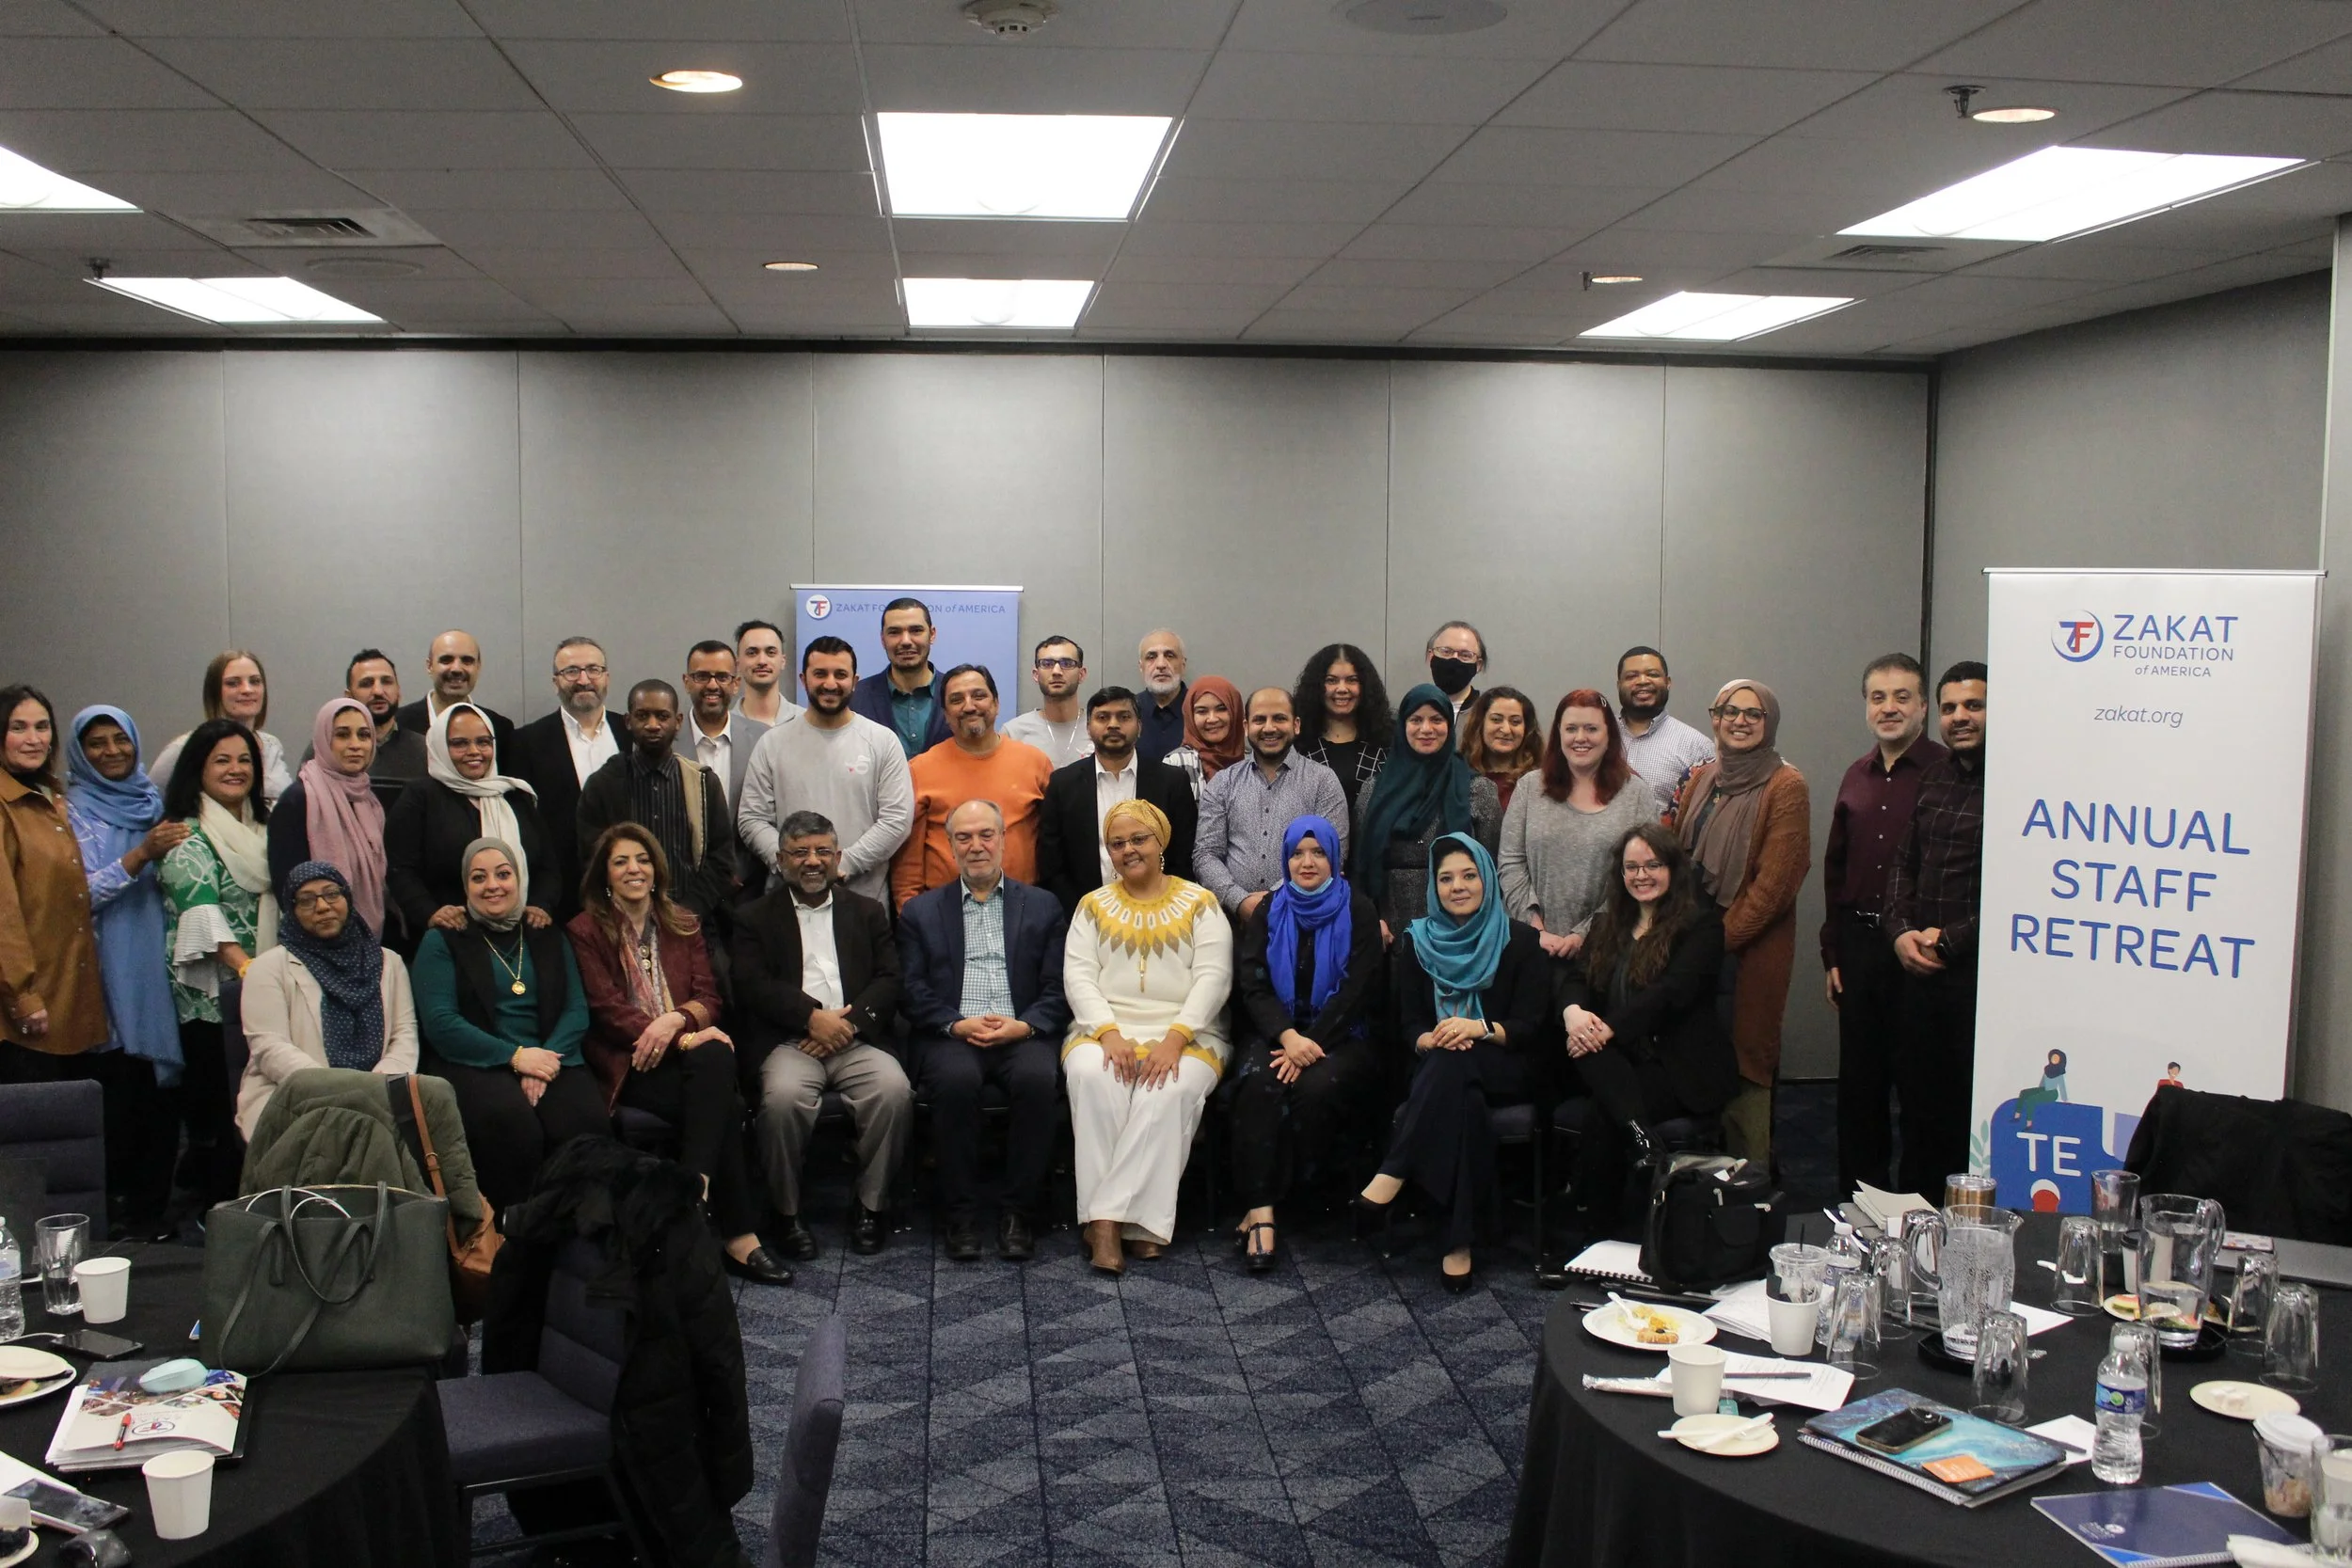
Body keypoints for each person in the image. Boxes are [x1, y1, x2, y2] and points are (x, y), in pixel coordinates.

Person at [567, 823, 788, 1284]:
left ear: (657, 870)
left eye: (643, 859)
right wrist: (681, 1035)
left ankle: (693, 1195)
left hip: (689, 1059)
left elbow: (709, 999)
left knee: (715, 1062)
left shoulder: (682, 921)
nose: (634, 869)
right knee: (725, 1102)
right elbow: (604, 1008)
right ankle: (739, 1236)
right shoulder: (586, 929)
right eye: (621, 861)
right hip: (633, 1062)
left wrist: (675, 1023)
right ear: (604, 875)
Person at [1358, 834, 1549, 1291]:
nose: (1457, 886)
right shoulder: (1417, 942)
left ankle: (1396, 1167)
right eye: (1445, 878)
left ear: (1486, 878)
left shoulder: (1520, 942)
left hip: (1505, 1063)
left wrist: (1476, 1028)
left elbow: (1529, 1025)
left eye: (1469, 875)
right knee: (1459, 1092)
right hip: (1438, 1067)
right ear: (1434, 887)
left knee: (1454, 1067)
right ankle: (1457, 1242)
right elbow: (1408, 1025)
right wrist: (1433, 1037)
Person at [1062, 800, 1232, 1276]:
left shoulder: (1200, 902)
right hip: (1104, 1028)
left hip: (1189, 1030)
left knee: (1167, 1089)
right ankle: (1135, 1227)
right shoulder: (1091, 906)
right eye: (1117, 843)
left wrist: (1176, 1038)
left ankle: (1108, 1220)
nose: (1128, 850)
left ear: (1161, 843)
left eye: (1139, 839)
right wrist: (1108, 1033)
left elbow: (1214, 978)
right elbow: (1078, 977)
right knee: (1095, 1078)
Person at [898, 800, 1072, 1262]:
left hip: (1022, 1028)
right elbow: (912, 990)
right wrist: (955, 1023)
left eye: (986, 835)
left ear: (1004, 840)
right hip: (953, 1032)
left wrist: (1027, 1024)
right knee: (956, 1083)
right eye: (964, 837)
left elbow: (1059, 986)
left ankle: (1019, 1212)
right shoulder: (921, 912)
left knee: (1039, 1081)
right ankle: (961, 1214)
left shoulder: (1041, 906)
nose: (976, 846)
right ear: (950, 846)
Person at [732, 812, 910, 1259]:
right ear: (780, 859)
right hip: (790, 1042)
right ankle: (786, 1213)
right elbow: (751, 984)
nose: (812, 861)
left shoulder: (867, 911)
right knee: (782, 1101)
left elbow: (890, 977)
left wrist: (847, 1025)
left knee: (894, 1090)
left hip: (856, 1038)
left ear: (837, 857)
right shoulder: (754, 916)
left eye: (822, 851)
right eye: (800, 852)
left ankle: (871, 1205)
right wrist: (811, 1019)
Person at [1556, 825, 1740, 1226]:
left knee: (1604, 1113)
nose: (1641, 875)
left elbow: (1672, 993)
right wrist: (1574, 1014)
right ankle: (1644, 1144)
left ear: (1673, 869)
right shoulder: (1608, 924)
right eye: (1632, 867)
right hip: (1615, 1059)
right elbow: (1576, 980)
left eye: (1652, 865)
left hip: (1675, 1066)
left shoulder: (1702, 927)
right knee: (1588, 1053)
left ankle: (1591, 1230)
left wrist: (1607, 1029)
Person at [412, 839, 609, 1210]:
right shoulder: (442, 940)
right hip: (476, 1060)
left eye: (503, 874)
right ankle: (511, 1235)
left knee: (585, 1123)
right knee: (510, 1125)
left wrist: (542, 1061)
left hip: (552, 1056)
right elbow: (441, 1024)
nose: (493, 885)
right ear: (465, 886)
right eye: (478, 877)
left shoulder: (546, 931)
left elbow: (577, 1009)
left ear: (520, 879)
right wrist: (516, 1057)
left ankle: (581, 1236)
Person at [1667, 680, 1811, 1164]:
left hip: (1749, 949)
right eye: (1730, 711)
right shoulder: (1704, 777)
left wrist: (1714, 944)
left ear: (1769, 723)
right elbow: (1681, 858)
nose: (1740, 721)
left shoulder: (1786, 785)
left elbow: (1774, 887)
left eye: (1754, 713)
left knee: (1746, 1060)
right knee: (1700, 1055)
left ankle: (1749, 1189)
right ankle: (1701, 1184)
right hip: (1699, 942)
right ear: (1715, 718)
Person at [1228, 815, 1380, 1274]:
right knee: (1257, 1083)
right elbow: (1253, 984)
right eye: (1297, 853)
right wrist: (1289, 1036)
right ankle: (1261, 1212)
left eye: (1317, 853)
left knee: (1317, 1089)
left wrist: (1311, 1043)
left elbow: (1359, 990)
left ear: (1333, 857)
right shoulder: (1268, 909)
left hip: (1341, 1036)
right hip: (1279, 1033)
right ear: (1285, 858)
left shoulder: (1359, 909)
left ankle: (1300, 1198)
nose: (1307, 862)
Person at [1820, 654, 1944, 1194]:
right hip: (1859, 948)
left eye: (1901, 697)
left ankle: (1920, 1217)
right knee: (1860, 1090)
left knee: (1921, 1091)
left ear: (1922, 707)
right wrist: (1834, 954)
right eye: (1877, 697)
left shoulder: (1946, 773)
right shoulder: (1856, 774)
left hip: (1920, 954)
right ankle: (1860, 1207)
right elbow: (1835, 868)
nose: (1888, 708)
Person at [64, 705, 187, 1231]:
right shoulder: (70, 813)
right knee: (119, 1095)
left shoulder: (154, 804)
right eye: (97, 743)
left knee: (162, 1101)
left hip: (160, 975)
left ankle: (154, 1214)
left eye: (121, 739)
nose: (112, 751)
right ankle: (116, 1215)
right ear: (79, 753)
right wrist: (139, 857)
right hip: (105, 975)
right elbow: (76, 897)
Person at [158, 717, 278, 1199]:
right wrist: (248, 969)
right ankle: (215, 1210)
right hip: (214, 996)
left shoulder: (266, 827)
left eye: (244, 759)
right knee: (218, 1106)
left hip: (262, 988)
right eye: (221, 760)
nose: (235, 769)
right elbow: (201, 913)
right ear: (197, 769)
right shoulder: (186, 835)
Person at [1884, 660, 1986, 1195]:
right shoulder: (1935, 777)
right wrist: (1900, 931)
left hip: (1977, 983)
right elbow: (1904, 863)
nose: (1959, 717)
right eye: (1949, 708)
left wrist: (1950, 940)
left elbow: (2016, 890)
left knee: (1966, 1116)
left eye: (1973, 706)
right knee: (1919, 1112)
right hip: (1920, 973)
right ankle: (1912, 1226)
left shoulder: (2018, 784)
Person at [235, 860, 418, 1138]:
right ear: (292, 910)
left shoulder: (389, 962)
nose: (322, 907)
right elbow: (270, 1048)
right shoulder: (267, 968)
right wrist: (339, 1089)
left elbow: (404, 1035)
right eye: (307, 900)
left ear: (347, 898)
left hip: (380, 1093)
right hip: (294, 1095)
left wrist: (376, 1087)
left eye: (332, 894)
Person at [737, 637, 912, 906]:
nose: (830, 683)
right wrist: (792, 864)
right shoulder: (772, 742)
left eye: (840, 674)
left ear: (854, 681)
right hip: (787, 901)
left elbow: (897, 820)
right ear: (803, 679)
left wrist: (844, 863)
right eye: (820, 674)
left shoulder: (882, 741)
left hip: (861, 902)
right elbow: (752, 818)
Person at [1500, 690, 1657, 960]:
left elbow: (1645, 874)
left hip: (1609, 948)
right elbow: (1511, 862)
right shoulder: (1529, 788)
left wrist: (1586, 933)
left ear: (1610, 736)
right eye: (1571, 728)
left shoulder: (1636, 794)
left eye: (1592, 729)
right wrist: (1534, 928)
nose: (1580, 738)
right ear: (1558, 733)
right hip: (1531, 945)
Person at [0, 688, 107, 1072]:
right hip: (22, 1010)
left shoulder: (50, 796)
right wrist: (23, 996)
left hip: (66, 996)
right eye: (19, 727)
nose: (34, 739)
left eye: (42, 727)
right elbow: (4, 914)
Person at [386, 703, 555, 940]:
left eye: (483, 742)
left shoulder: (516, 795)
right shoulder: (420, 797)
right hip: (452, 936)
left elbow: (548, 864)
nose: (474, 751)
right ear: (439, 747)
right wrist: (430, 913)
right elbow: (400, 870)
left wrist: (541, 904)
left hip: (521, 934)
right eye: (460, 743)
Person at [892, 666, 1053, 910]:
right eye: (956, 700)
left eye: (979, 696)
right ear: (945, 714)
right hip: (944, 914)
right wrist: (913, 918)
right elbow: (908, 866)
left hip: (1022, 911)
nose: (969, 706)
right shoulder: (920, 770)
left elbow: (1052, 845)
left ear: (997, 704)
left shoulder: (1035, 763)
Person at [577, 680, 736, 919]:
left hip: (692, 923)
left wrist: (686, 912)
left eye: (662, 716)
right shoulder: (603, 785)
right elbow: (592, 859)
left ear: (678, 722)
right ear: (628, 721)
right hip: (620, 922)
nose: (653, 725)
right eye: (642, 716)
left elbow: (721, 861)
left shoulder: (703, 783)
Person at [1036, 687, 1198, 916]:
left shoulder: (1172, 782)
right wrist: (1085, 913)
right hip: (1084, 915)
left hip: (1160, 913)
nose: (1113, 724)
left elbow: (1182, 858)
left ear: (1140, 727)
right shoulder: (1063, 784)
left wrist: (1161, 906)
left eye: (1124, 717)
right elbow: (1052, 863)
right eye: (1103, 717)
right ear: (1088, 728)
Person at [1354, 685, 1502, 932]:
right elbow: (1359, 864)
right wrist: (1370, 919)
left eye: (1436, 719)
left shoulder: (1477, 789)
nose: (1426, 729)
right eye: (1416, 720)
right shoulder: (1374, 790)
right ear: (1403, 726)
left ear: (1449, 725)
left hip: (1459, 927)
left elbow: (1490, 869)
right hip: (1387, 927)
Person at [1193, 688, 1349, 921]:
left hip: (1305, 920)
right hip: (1234, 923)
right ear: (1246, 727)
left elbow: (1334, 852)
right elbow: (1205, 854)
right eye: (1259, 720)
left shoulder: (1323, 781)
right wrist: (1240, 901)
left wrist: (1275, 901)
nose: (1269, 728)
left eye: (1279, 718)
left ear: (1296, 725)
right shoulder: (1223, 783)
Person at [507, 636, 621, 920]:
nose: (583, 679)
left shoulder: (630, 731)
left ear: (607, 677)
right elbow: (523, 826)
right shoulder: (527, 742)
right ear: (555, 681)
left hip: (630, 888)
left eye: (593, 669)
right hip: (561, 898)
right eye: (571, 671)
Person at [268, 698, 389, 942]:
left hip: (368, 941)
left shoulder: (369, 800)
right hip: (313, 943)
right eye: (343, 735)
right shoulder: (298, 799)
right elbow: (287, 887)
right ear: (324, 739)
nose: (356, 745)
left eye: (364, 735)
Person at [148, 651, 296, 804]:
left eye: (255, 681)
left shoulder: (272, 745)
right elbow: (150, 801)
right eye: (233, 683)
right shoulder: (185, 747)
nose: (247, 690)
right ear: (214, 692)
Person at [684, 640, 771, 886]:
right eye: (702, 676)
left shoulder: (764, 739)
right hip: (684, 889)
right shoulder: (666, 741)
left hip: (749, 886)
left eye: (722, 677)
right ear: (686, 681)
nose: (712, 685)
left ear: (735, 684)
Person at [1294, 642, 1391, 821]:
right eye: (1332, 680)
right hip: (1313, 846)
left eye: (1352, 680)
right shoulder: (1298, 744)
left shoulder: (1388, 742)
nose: (1342, 689)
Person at [850, 596, 952, 757]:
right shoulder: (855, 698)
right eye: (894, 632)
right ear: (883, 639)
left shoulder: (957, 694)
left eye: (916, 630)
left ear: (932, 634)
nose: (905, 641)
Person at [1616, 646, 1715, 812]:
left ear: (1668, 682)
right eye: (1632, 676)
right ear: (1619, 685)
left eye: (1652, 674)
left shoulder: (1698, 746)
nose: (1642, 681)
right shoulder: (1597, 737)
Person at [394, 629, 517, 753]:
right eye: (446, 660)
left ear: (478, 667)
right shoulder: (399, 724)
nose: (457, 669)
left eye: (467, 660)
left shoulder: (500, 728)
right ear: (429, 666)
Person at [333, 650, 429, 808]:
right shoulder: (329, 750)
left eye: (386, 682)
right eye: (366, 683)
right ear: (348, 697)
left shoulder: (425, 751)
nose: (378, 691)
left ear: (399, 692)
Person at [1000, 635, 1095, 768]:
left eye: (1067, 664)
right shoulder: (1014, 733)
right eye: (1047, 664)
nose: (1057, 671)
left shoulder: (1100, 728)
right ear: (1036, 674)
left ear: (1081, 674)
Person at [1462, 687, 1543, 816]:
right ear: (1480, 724)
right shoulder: (1458, 775)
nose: (1506, 730)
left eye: (1515, 722)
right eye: (1496, 720)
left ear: (1527, 729)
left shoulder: (1540, 782)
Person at [1161, 674, 1245, 800]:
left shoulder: (1252, 762)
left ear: (1235, 711)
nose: (1212, 719)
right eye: (1202, 711)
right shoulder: (1177, 764)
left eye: (1221, 709)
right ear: (1190, 716)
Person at [1136, 628, 1190, 764]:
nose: (1161, 665)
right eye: (1151, 657)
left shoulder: (1200, 711)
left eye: (1169, 655)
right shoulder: (1127, 712)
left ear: (1183, 664)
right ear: (1141, 667)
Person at [734, 618, 796, 726]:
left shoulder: (806, 722)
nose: (762, 661)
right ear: (738, 664)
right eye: (752, 653)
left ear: (783, 661)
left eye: (771, 652)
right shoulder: (724, 727)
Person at [1424, 621, 1487, 721]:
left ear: (1478, 665)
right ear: (1430, 656)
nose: (1454, 659)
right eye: (1446, 651)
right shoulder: (1414, 708)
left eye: (1465, 655)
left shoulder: (1487, 712)